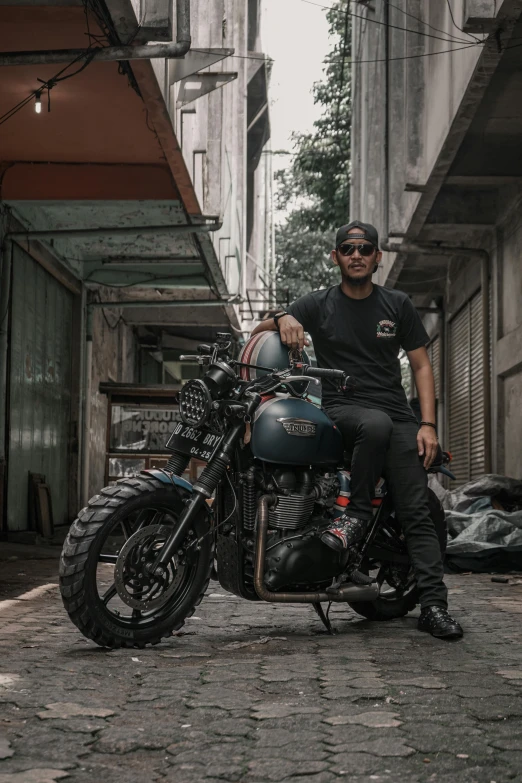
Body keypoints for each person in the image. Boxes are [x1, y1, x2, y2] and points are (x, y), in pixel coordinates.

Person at [251, 220, 463, 640]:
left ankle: (434, 607)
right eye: (348, 249)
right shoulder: (318, 303)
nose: (357, 255)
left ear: (377, 257)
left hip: (397, 418)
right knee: (372, 423)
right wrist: (283, 316)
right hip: (343, 411)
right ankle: (356, 515)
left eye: (365, 249)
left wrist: (428, 425)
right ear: (336, 257)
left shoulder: (397, 304)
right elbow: (260, 331)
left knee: (416, 509)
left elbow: (420, 365)